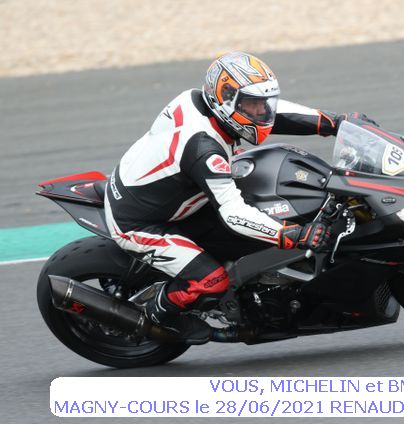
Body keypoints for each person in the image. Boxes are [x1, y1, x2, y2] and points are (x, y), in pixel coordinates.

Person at [104, 51, 376, 343]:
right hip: (138, 222)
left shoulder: (202, 102)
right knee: (211, 281)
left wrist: (335, 122)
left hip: (173, 195)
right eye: (252, 105)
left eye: (263, 103)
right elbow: (233, 212)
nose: (262, 112)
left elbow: (276, 113)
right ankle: (156, 316)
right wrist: (292, 234)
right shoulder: (205, 151)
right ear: (226, 101)